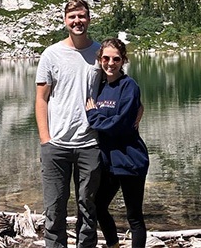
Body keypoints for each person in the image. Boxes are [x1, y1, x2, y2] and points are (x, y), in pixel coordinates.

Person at [35, 0, 102, 248]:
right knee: (54, 209)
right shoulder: (52, 54)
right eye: (72, 17)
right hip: (57, 145)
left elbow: (116, 87)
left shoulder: (99, 53)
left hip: (90, 143)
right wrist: (46, 139)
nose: (78, 21)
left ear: (89, 19)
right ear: (65, 21)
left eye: (82, 16)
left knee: (88, 208)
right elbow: (41, 99)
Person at [86, 38, 149, 248]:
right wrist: (103, 121)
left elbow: (120, 124)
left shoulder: (129, 86)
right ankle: (113, 244)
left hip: (131, 160)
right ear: (100, 59)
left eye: (116, 59)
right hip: (109, 163)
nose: (110, 63)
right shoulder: (101, 86)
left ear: (123, 61)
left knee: (134, 216)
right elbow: (112, 122)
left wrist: (94, 116)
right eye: (105, 58)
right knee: (99, 206)